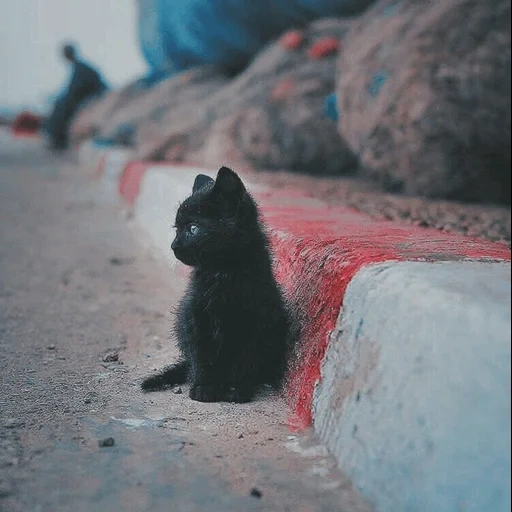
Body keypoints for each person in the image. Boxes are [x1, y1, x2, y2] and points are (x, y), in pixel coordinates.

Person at [45, 43, 107, 150]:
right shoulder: (78, 67)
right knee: (60, 106)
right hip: (85, 96)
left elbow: (75, 89)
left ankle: (59, 141)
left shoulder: (81, 68)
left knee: (62, 109)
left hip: (91, 97)